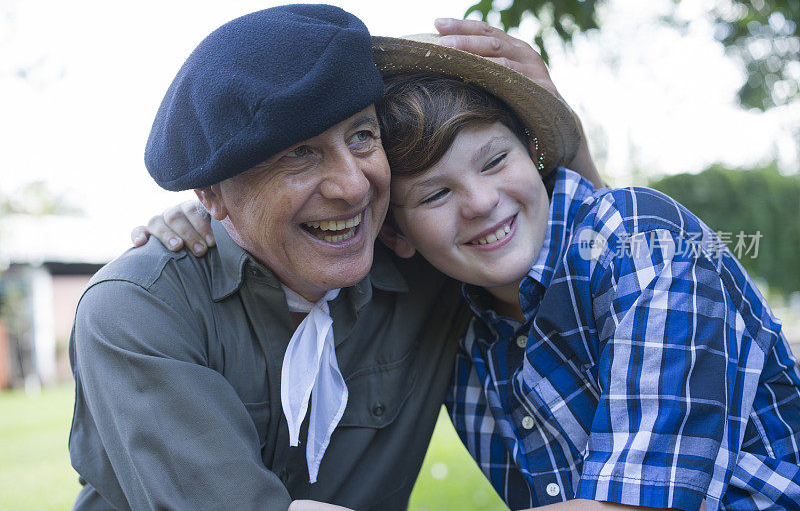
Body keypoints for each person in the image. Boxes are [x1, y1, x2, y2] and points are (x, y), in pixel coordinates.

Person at [145, 36, 800, 510]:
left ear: (533, 155)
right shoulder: (457, 320)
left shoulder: (649, 244)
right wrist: (221, 212)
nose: (481, 201)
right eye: (434, 195)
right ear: (395, 234)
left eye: (495, 161)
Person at [71, 5, 602, 511]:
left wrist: (565, 140)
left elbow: (605, 283)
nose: (353, 187)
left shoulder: (424, 262)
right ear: (212, 194)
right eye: (299, 153)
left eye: (363, 136)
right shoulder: (139, 312)